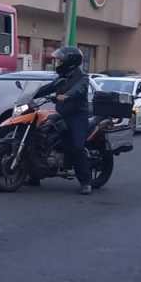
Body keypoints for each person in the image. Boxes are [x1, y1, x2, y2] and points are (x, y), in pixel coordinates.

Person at [35, 46, 92, 195]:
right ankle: (34, 174)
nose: (57, 63)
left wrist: (66, 96)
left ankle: (85, 182)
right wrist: (32, 94)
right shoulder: (63, 76)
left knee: (77, 147)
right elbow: (49, 87)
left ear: (69, 61)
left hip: (77, 116)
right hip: (61, 113)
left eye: (60, 60)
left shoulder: (83, 77)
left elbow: (79, 89)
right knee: (40, 134)